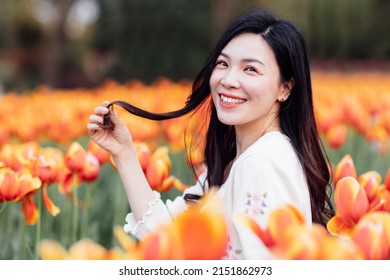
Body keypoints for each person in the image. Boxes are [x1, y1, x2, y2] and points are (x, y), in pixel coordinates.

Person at [87, 9, 334, 259]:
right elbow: (166, 236)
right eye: (223, 64)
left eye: (250, 69)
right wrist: (124, 152)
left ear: (285, 87)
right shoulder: (236, 160)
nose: (228, 79)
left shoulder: (261, 163)